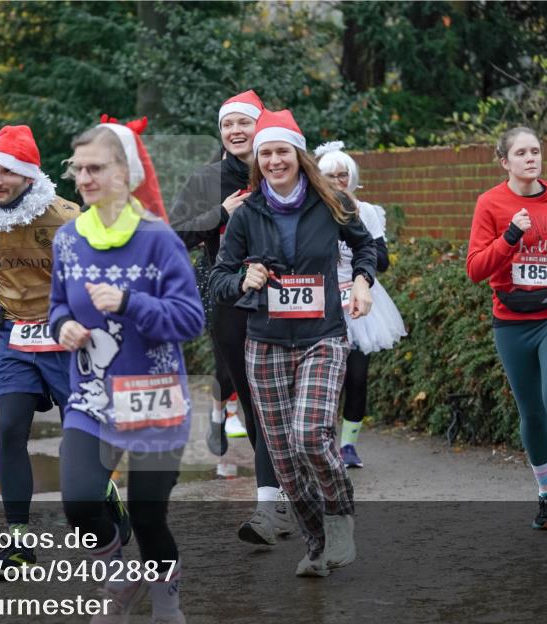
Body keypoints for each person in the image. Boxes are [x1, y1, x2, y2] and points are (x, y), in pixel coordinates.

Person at [51, 117, 203, 624]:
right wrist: (60, 326)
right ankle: (119, 579)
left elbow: (190, 319)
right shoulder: (68, 238)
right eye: (79, 169)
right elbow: (58, 305)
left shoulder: (158, 239)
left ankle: (169, 617)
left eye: (97, 168)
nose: (85, 178)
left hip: (153, 397)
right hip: (91, 398)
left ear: (125, 173)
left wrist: (130, 303)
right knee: (79, 502)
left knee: (147, 515)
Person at [208, 109, 377, 577]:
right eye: (266, 153)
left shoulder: (331, 202)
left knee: (309, 436)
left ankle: (340, 521)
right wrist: (244, 278)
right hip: (265, 343)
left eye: (282, 151)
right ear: (256, 160)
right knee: (282, 453)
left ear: (298, 154)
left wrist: (362, 282)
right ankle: (316, 543)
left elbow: (366, 247)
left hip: (322, 336)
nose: (274, 160)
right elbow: (219, 279)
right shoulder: (246, 213)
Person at [0, 125, 125, 572]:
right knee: (10, 427)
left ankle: (102, 491)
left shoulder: (68, 219)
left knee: (82, 436)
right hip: (12, 337)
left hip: (69, 337)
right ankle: (18, 540)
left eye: (8, 172)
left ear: (30, 177)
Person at [169, 89, 294, 546]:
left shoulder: (282, 166)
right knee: (254, 399)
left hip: (287, 298)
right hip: (229, 299)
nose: (236, 132)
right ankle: (271, 502)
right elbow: (174, 235)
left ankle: (288, 489)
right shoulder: (206, 178)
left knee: (287, 405)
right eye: (228, 125)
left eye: (244, 122)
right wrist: (219, 214)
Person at [466, 126, 547, 532]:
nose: (530, 158)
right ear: (505, 161)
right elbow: (476, 269)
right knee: (532, 411)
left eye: (535, 150)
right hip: (512, 322)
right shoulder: (490, 203)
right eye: (521, 153)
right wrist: (511, 235)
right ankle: (544, 496)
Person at [315, 141, 407, 468]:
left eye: (344, 175)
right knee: (324, 375)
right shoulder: (312, 210)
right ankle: (320, 441)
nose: (339, 181)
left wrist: (358, 240)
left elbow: (381, 260)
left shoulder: (365, 210)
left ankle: (348, 445)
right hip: (320, 299)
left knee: (356, 375)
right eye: (331, 176)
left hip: (361, 297)